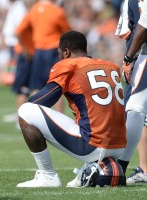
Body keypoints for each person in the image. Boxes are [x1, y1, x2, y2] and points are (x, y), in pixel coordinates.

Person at [16, 31, 126, 187]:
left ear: (66, 52)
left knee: (26, 111)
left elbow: (40, 101)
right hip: (119, 146)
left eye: (59, 53)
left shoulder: (69, 64)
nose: (59, 57)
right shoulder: (110, 66)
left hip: (93, 145)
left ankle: (48, 176)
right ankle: (93, 168)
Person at [15, 0, 70, 113]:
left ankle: (34, 117)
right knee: (57, 87)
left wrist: (27, 48)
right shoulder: (57, 11)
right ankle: (59, 118)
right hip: (55, 51)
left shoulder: (34, 10)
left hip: (39, 52)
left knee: (37, 87)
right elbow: (68, 33)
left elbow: (19, 31)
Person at [116, 0, 147, 184]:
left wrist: (128, 58)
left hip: (143, 55)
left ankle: (123, 166)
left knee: (136, 109)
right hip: (140, 54)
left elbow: (143, 25)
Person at [1, 0, 34, 128]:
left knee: (29, 86)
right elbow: (16, 32)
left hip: (26, 50)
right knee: (23, 86)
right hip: (24, 50)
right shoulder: (20, 8)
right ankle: (20, 117)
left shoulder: (22, 7)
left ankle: (22, 116)